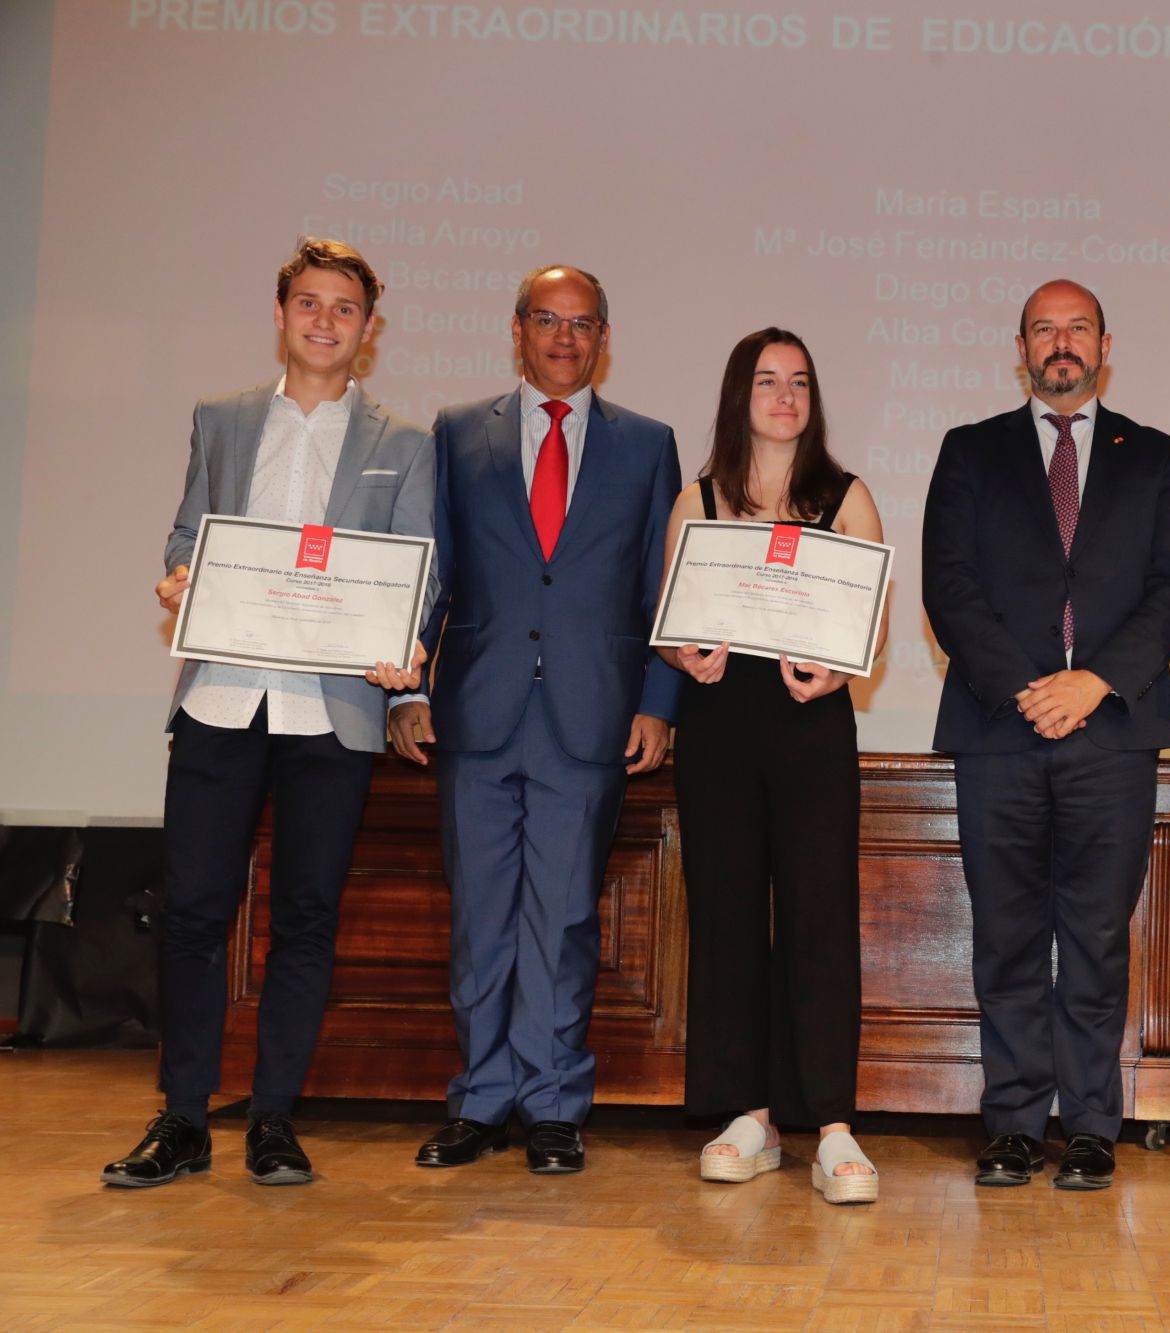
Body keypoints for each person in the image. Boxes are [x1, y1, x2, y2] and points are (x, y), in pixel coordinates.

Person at [104, 238, 434, 1188]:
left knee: (306, 917)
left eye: (344, 309)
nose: (325, 320)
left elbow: (416, 568)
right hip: (220, 698)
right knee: (196, 912)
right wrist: (178, 576)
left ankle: (275, 1119)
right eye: (308, 302)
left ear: (367, 333)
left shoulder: (402, 443)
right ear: (281, 312)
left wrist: (404, 646)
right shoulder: (222, 417)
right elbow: (185, 531)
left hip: (329, 713)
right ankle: (180, 1119)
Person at [390, 264, 681, 1175]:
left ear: (604, 337)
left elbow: (661, 589)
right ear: (517, 330)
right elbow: (427, 567)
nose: (564, 338)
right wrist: (406, 689)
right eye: (547, 321)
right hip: (475, 710)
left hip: (591, 715)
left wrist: (659, 702)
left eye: (583, 323)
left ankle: (553, 1103)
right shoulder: (455, 433)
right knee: (482, 917)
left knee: (561, 921)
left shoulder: (648, 444)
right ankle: (479, 1100)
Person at [923, 279, 1170, 1191]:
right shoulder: (969, 452)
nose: (1061, 344)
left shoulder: (1155, 455)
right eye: (1044, 330)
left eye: (1077, 328)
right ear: (1022, 348)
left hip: (1112, 731)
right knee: (1004, 935)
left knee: (1095, 936)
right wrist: (1027, 689)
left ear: (1105, 344)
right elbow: (949, 588)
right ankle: (1010, 1121)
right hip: (999, 729)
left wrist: (1092, 684)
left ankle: (1088, 1125)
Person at [666, 328, 885, 1205]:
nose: (785, 396)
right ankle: (747, 1116)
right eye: (767, 381)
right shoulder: (700, 499)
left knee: (818, 916)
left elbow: (864, 628)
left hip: (811, 728)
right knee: (724, 915)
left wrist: (840, 664)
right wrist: (688, 656)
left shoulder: (847, 495)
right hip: (720, 727)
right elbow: (672, 623)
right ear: (739, 394)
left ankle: (832, 1124)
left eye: (799, 381)